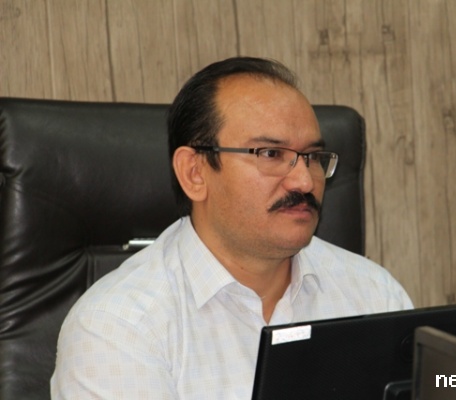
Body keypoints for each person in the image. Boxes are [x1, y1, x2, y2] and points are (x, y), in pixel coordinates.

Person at [50, 57, 413, 399]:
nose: (304, 181)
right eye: (271, 154)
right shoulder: (117, 327)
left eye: (313, 158)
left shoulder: (374, 295)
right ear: (195, 173)